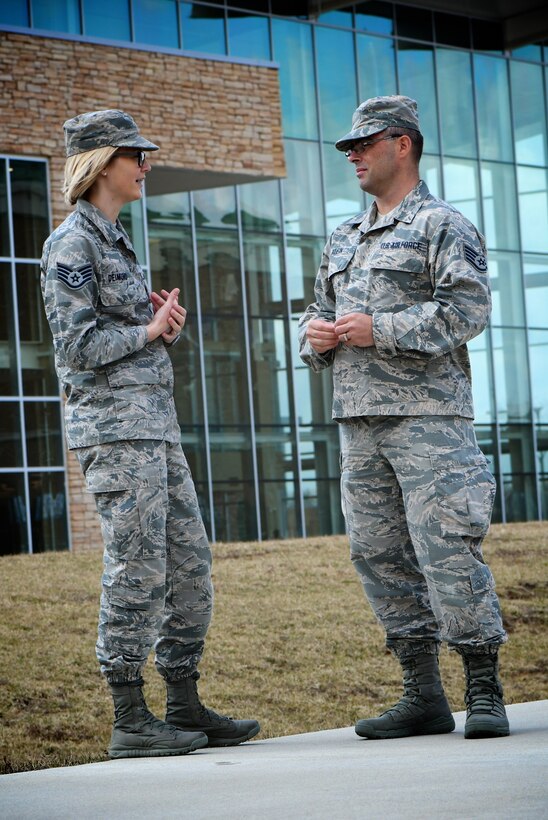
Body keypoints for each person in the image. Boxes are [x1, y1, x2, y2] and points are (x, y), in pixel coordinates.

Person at [41, 109, 260, 759]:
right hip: (115, 436)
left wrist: (161, 322)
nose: (146, 164)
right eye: (136, 154)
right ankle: (130, 716)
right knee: (136, 567)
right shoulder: (71, 244)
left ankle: (183, 702)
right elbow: (77, 348)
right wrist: (148, 331)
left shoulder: (117, 240)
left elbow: (128, 339)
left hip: (155, 432)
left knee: (189, 565)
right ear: (101, 163)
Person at [299, 96, 509, 741]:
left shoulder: (444, 224)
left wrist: (380, 329)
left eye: (363, 144)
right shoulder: (343, 237)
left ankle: (483, 689)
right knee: (380, 555)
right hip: (358, 421)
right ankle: (422, 694)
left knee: (447, 547)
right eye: (348, 148)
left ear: (403, 144)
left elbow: (468, 310)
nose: (353, 156)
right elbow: (313, 315)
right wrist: (314, 338)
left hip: (429, 419)